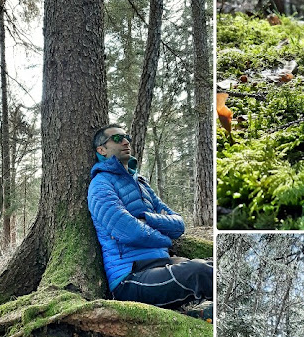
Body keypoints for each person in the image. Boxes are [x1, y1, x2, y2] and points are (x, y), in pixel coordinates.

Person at [88, 124, 212, 317]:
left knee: (215, 266)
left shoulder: (142, 184)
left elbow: (179, 224)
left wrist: (146, 218)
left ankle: (202, 317)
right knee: (200, 272)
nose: (126, 141)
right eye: (118, 138)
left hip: (162, 264)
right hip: (130, 278)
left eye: (126, 136)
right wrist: (164, 237)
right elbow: (130, 231)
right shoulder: (100, 185)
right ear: (101, 150)